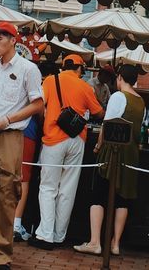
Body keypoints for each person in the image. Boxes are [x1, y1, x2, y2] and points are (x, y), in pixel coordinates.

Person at [0, 22, 44, 270]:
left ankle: (1, 255)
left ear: (13, 40)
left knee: (6, 192)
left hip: (10, 135)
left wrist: (8, 119)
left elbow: (38, 105)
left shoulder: (28, 69)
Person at [33, 54, 103, 249]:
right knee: (67, 189)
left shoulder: (50, 80)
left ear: (63, 66)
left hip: (53, 137)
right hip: (77, 138)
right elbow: (99, 113)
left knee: (48, 187)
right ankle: (58, 235)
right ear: (80, 69)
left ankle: (45, 234)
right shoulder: (85, 87)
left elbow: (39, 105)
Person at [73, 64, 144, 257]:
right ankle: (115, 243)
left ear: (120, 77)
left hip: (112, 151)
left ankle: (95, 242)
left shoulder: (118, 96)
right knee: (123, 198)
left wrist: (97, 145)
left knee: (98, 194)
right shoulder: (140, 102)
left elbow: (108, 124)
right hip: (131, 155)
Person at [14, 61, 53, 242]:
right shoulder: (36, 86)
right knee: (24, 178)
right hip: (27, 132)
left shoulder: (14, 78)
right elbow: (40, 112)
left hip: (8, 131)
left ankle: (4, 221)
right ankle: (15, 223)